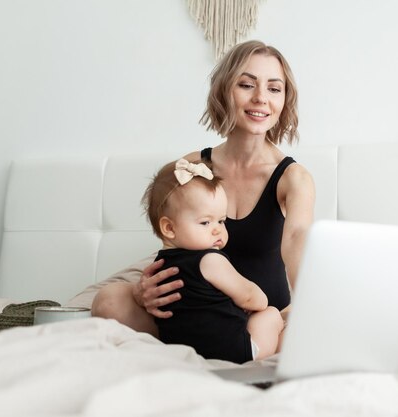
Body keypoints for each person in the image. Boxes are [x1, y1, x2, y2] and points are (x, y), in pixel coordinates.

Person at [87, 40, 315, 339]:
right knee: (108, 299)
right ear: (225, 91)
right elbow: (170, 242)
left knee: (302, 328)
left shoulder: (293, 178)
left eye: (274, 88)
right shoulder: (190, 167)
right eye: (247, 85)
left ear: (284, 99)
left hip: (261, 319)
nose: (261, 98)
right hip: (197, 312)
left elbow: (298, 241)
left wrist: (303, 307)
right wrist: (144, 292)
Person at [141, 158, 284, 363]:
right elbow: (251, 298)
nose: (217, 229)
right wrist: (260, 302)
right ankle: (261, 360)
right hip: (232, 353)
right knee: (270, 315)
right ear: (169, 228)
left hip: (182, 351)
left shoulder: (159, 267)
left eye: (221, 221)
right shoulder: (210, 260)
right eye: (205, 222)